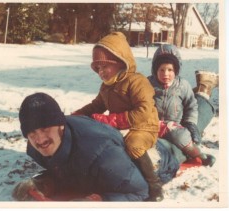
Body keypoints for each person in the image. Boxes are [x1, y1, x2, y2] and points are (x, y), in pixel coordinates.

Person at [12, 92, 185, 202]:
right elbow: (69, 167)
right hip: (117, 141)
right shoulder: (35, 147)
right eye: (32, 132)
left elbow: (141, 191)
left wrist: (101, 201)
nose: (39, 138)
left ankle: (200, 97)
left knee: (184, 140)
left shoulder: (103, 155)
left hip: (160, 155)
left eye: (45, 128)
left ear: (60, 125)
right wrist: (45, 183)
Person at [71, 31, 163, 201]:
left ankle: (154, 184)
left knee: (133, 145)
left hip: (144, 127)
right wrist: (76, 116)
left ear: (121, 62)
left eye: (105, 66)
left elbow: (144, 110)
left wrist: (113, 120)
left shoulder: (137, 81)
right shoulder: (106, 86)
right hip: (121, 127)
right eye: (98, 68)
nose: (101, 72)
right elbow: (96, 106)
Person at [147, 44, 217, 167]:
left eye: (170, 70)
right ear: (155, 70)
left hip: (174, 127)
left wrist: (190, 124)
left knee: (183, 138)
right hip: (153, 125)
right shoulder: (147, 85)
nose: (166, 74)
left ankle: (198, 154)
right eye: (161, 70)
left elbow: (191, 106)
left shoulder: (182, 86)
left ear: (176, 70)